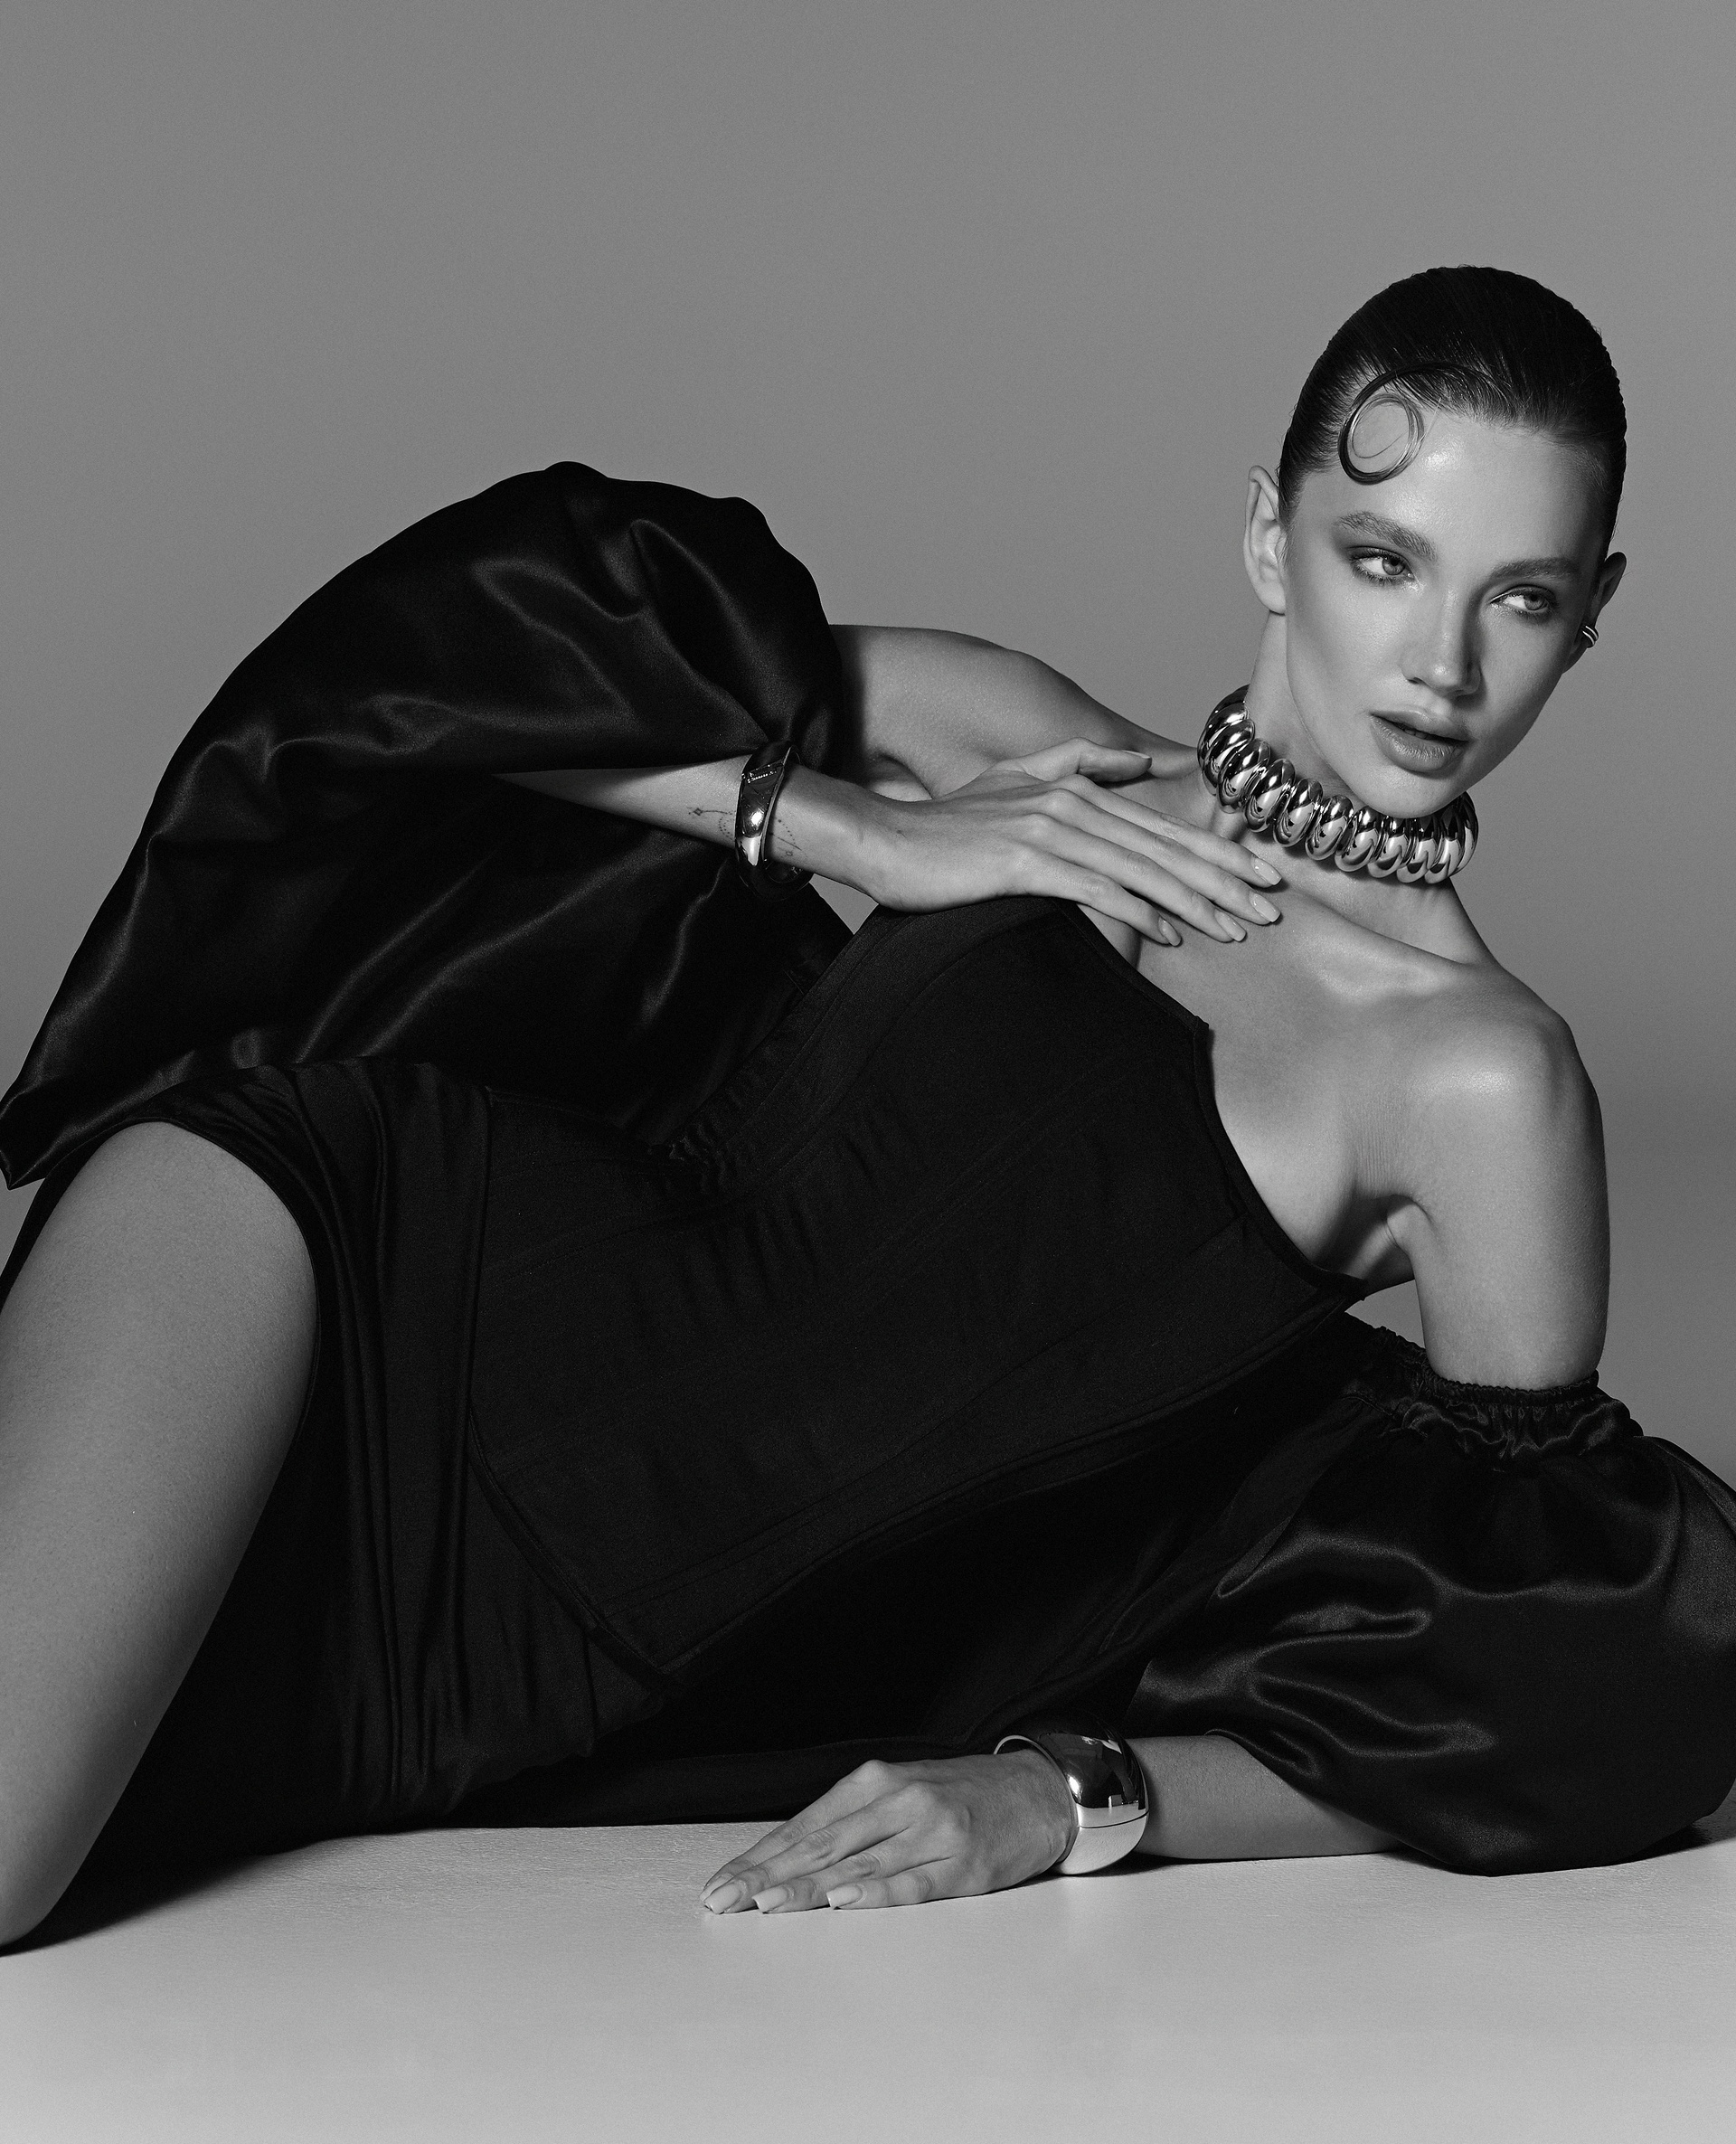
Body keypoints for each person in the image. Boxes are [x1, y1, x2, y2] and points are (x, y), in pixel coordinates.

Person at [0, 267, 1731, 1945]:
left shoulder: (1475, 1080)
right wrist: (851, 825)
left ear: (1592, 610)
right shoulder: (1028, 746)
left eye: (1519, 596)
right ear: (1272, 541)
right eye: (1383, 558)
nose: (1441, 662)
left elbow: (1553, 1650)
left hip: (540, 1660)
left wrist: (1075, 1794)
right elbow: (423, 691)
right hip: (349, 1262)